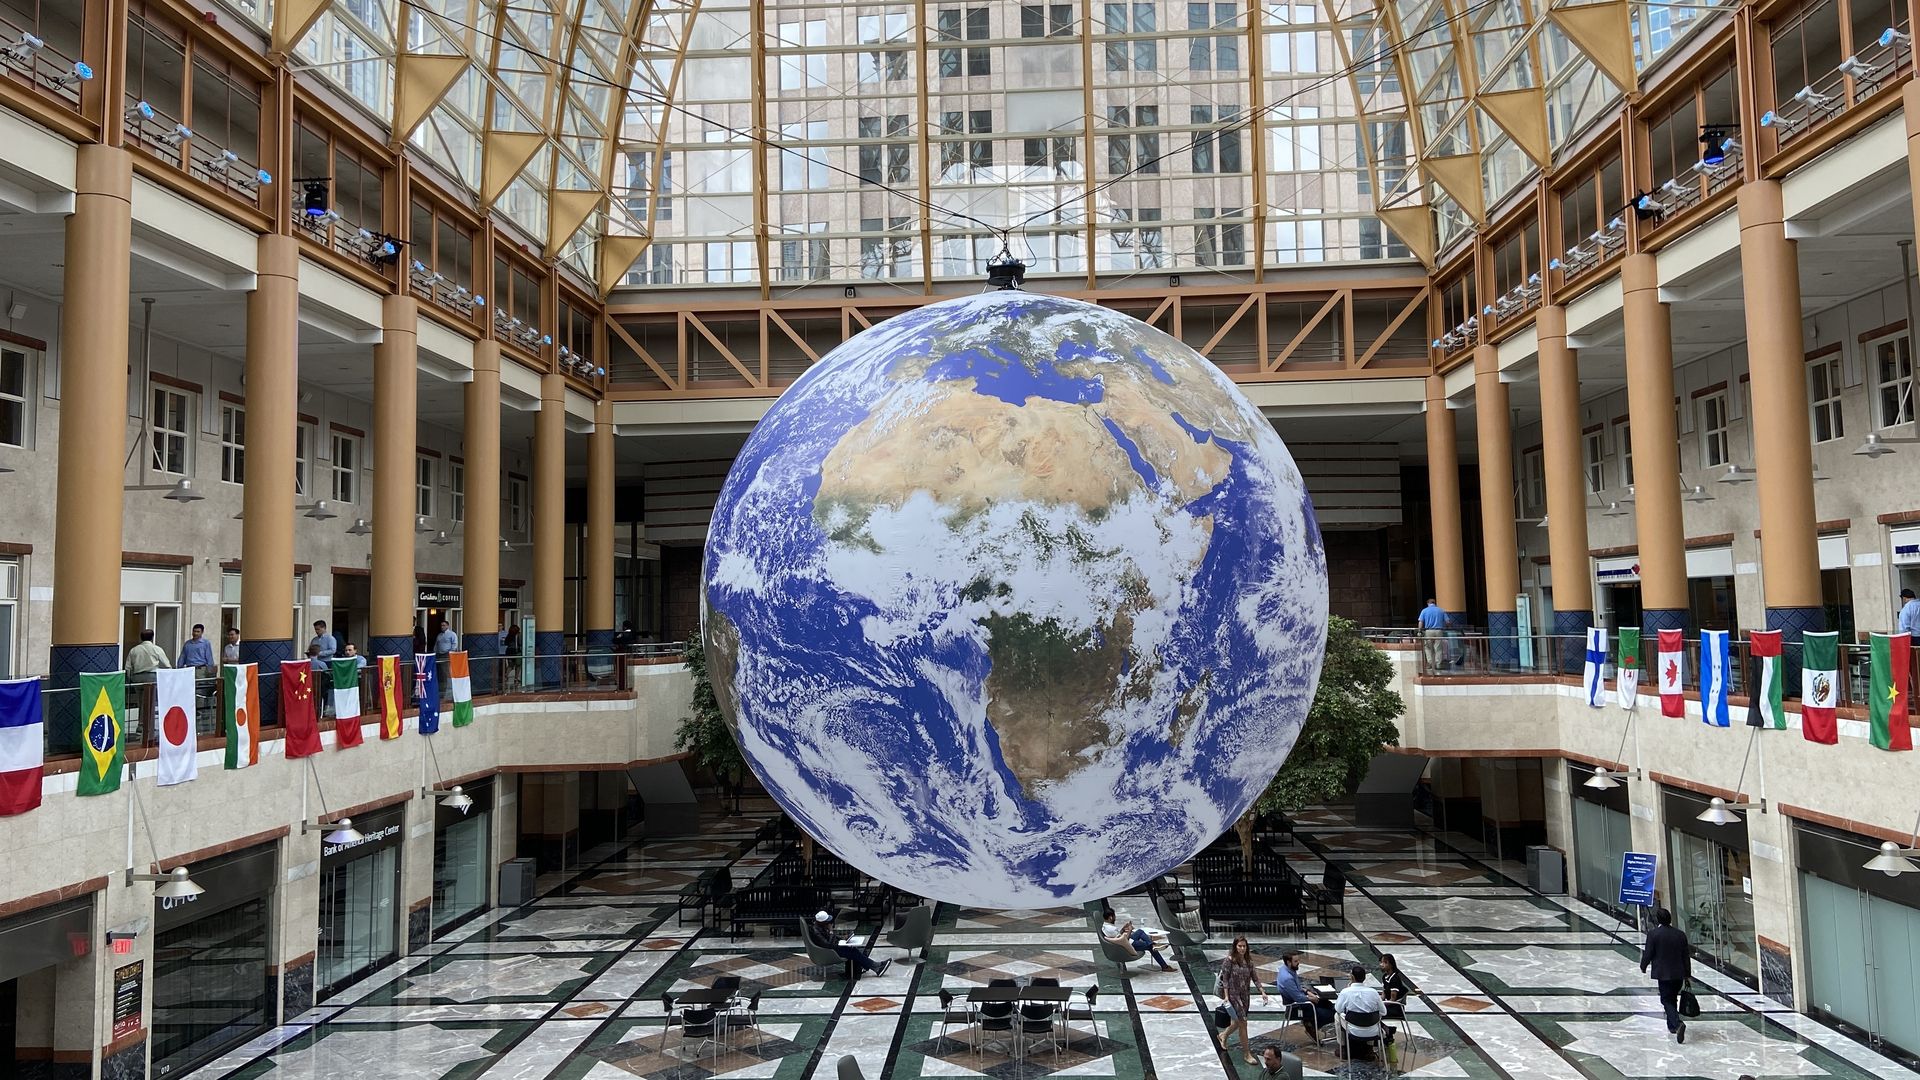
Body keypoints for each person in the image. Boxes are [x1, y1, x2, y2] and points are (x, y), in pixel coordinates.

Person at [1213, 936, 1270, 1064]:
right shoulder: (1229, 961)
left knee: (1238, 1022)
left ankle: (1223, 1035)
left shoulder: (1248, 961)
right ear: (1235, 947)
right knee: (1243, 1023)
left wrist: (1262, 991)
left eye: (1244, 946)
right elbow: (1225, 979)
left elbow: (1255, 977)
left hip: (1245, 995)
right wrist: (1226, 996)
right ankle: (1246, 1054)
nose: (1242, 949)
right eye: (1239, 946)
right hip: (1233, 995)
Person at [1641, 906, 1692, 1044]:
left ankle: (1677, 1023)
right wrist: (1687, 975)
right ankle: (1672, 1026)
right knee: (1672, 998)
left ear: (1658, 919)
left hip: (1663, 974)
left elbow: (1648, 953)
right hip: (1678, 973)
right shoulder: (1680, 934)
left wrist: (1643, 966)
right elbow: (1685, 956)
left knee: (1666, 1000)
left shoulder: (1653, 934)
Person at [807, 910, 889, 977]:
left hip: (832, 948)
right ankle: (876, 967)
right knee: (852, 952)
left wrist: (842, 938)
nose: (830, 923)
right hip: (827, 952)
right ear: (822, 922)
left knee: (852, 949)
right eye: (827, 921)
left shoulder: (820, 927)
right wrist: (831, 931)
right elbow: (827, 945)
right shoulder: (816, 931)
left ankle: (875, 966)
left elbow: (829, 939)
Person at [1274, 950, 1334, 1036]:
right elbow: (1298, 998)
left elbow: (1297, 987)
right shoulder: (1287, 978)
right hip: (1296, 1007)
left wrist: (1307, 991)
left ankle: (1311, 1025)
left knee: (1327, 1004)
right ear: (1288, 962)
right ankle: (1312, 1027)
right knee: (1332, 1014)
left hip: (1299, 1000)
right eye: (1296, 961)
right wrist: (1311, 998)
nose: (1298, 963)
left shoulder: (1286, 969)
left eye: (1298, 960)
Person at [1333, 965, 1385, 1059]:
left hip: (1354, 1029)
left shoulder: (1345, 992)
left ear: (1352, 977)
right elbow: (1383, 1012)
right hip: (1372, 1030)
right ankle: (1370, 1049)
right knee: (1376, 1016)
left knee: (1337, 1016)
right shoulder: (1373, 992)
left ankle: (1343, 1047)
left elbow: (1338, 1009)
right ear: (1364, 978)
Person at [1102, 909, 1172, 971]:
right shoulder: (1111, 929)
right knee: (1150, 947)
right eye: (1114, 916)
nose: (1115, 918)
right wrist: (1129, 930)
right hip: (1128, 945)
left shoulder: (1105, 927)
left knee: (1140, 931)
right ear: (1110, 917)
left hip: (1125, 942)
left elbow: (1117, 937)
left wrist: (1123, 929)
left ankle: (1153, 944)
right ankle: (1164, 966)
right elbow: (1125, 941)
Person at [1418, 598, 1449, 670]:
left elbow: (1421, 622)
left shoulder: (1424, 610)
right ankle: (1438, 664)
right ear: (1435, 603)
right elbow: (1447, 622)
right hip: (1439, 631)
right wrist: (1447, 627)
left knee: (1428, 647)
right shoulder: (1441, 610)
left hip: (1428, 631)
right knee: (1438, 648)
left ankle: (1430, 663)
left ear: (1428, 603)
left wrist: (1419, 631)